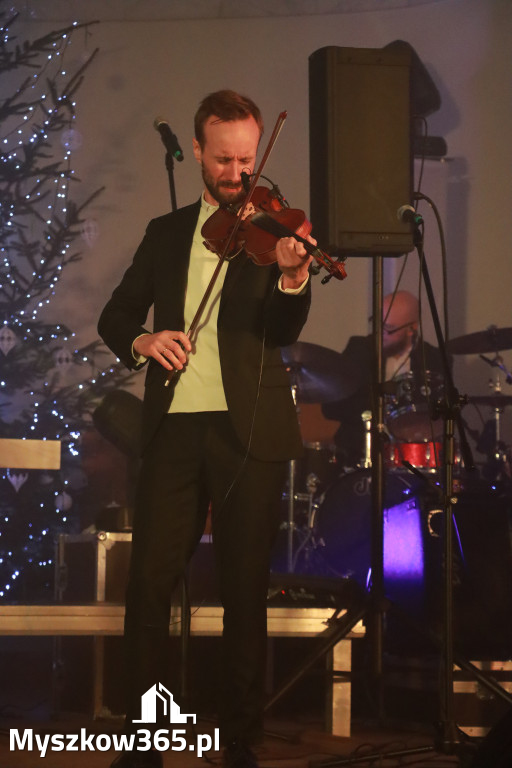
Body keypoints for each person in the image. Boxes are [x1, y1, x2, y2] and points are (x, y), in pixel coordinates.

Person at [98, 90, 313, 768]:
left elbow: (281, 332)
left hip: (248, 426)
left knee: (245, 588)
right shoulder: (166, 234)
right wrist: (143, 341)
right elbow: (115, 318)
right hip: (176, 430)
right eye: (224, 159)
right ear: (198, 151)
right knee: (148, 584)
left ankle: (240, 741)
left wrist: (293, 277)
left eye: (248, 159)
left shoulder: (271, 231)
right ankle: (144, 739)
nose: (238, 174)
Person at [322, 290, 446, 467]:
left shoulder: (434, 359)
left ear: (412, 329)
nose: (380, 333)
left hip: (414, 457)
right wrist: (381, 408)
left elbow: (438, 417)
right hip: (359, 452)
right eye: (377, 323)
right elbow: (331, 407)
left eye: (388, 328)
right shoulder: (359, 349)